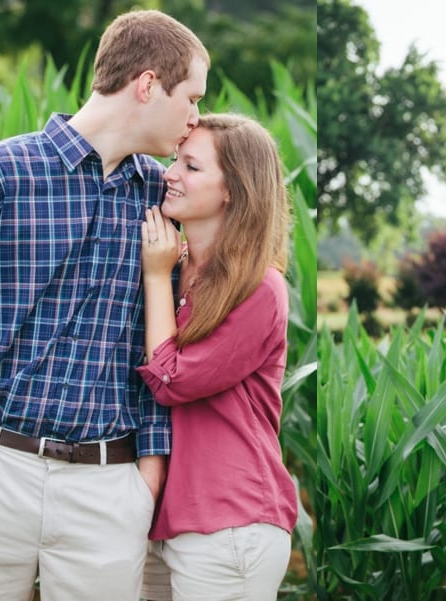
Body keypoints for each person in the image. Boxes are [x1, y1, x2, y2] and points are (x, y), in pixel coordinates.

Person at [0, 10, 208, 601]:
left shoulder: (161, 197)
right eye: (192, 97)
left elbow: (159, 344)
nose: (196, 117)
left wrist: (145, 476)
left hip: (108, 488)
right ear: (148, 85)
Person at [136, 113, 297, 600]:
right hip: (162, 520)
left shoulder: (260, 288)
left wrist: (155, 277)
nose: (171, 174)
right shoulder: (178, 267)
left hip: (230, 524)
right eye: (174, 160)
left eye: (192, 166)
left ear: (233, 190)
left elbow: (172, 381)